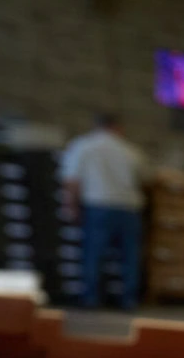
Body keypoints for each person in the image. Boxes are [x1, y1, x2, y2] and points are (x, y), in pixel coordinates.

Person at [60, 113, 147, 309]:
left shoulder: (83, 146)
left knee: (94, 254)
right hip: (129, 208)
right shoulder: (131, 151)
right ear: (118, 128)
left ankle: (92, 299)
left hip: (98, 205)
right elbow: (143, 182)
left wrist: (70, 206)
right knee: (129, 257)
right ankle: (129, 299)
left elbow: (72, 181)